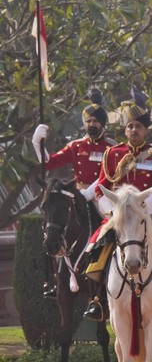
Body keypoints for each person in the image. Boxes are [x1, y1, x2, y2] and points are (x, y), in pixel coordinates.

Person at [79, 87, 152, 323]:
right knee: (94, 249)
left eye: (138, 126)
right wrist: (113, 210)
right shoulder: (112, 154)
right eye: (130, 126)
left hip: (149, 214)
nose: (134, 130)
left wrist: (141, 210)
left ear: (145, 130)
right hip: (119, 216)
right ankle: (97, 301)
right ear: (125, 129)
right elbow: (102, 186)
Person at [32, 88, 114, 302]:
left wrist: (92, 191)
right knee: (56, 228)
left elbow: (112, 172)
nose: (92, 125)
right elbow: (50, 162)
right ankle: (56, 278)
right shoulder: (76, 146)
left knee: (112, 224)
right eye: (88, 121)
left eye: (96, 122)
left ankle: (114, 269)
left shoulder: (111, 147)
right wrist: (37, 144)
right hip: (78, 194)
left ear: (103, 125)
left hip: (102, 193)